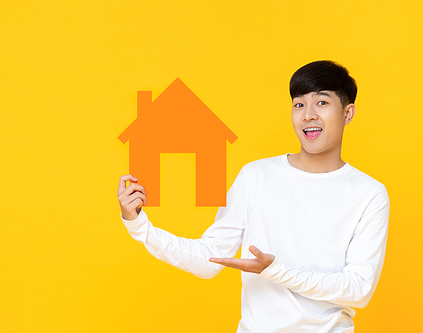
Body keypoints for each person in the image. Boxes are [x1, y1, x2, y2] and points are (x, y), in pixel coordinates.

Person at [117, 60, 390, 333]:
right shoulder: (256, 176)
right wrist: (139, 225)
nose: (308, 115)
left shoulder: (369, 194)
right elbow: (209, 258)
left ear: (347, 112)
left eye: (321, 102)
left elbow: (358, 289)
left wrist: (275, 270)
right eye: (299, 104)